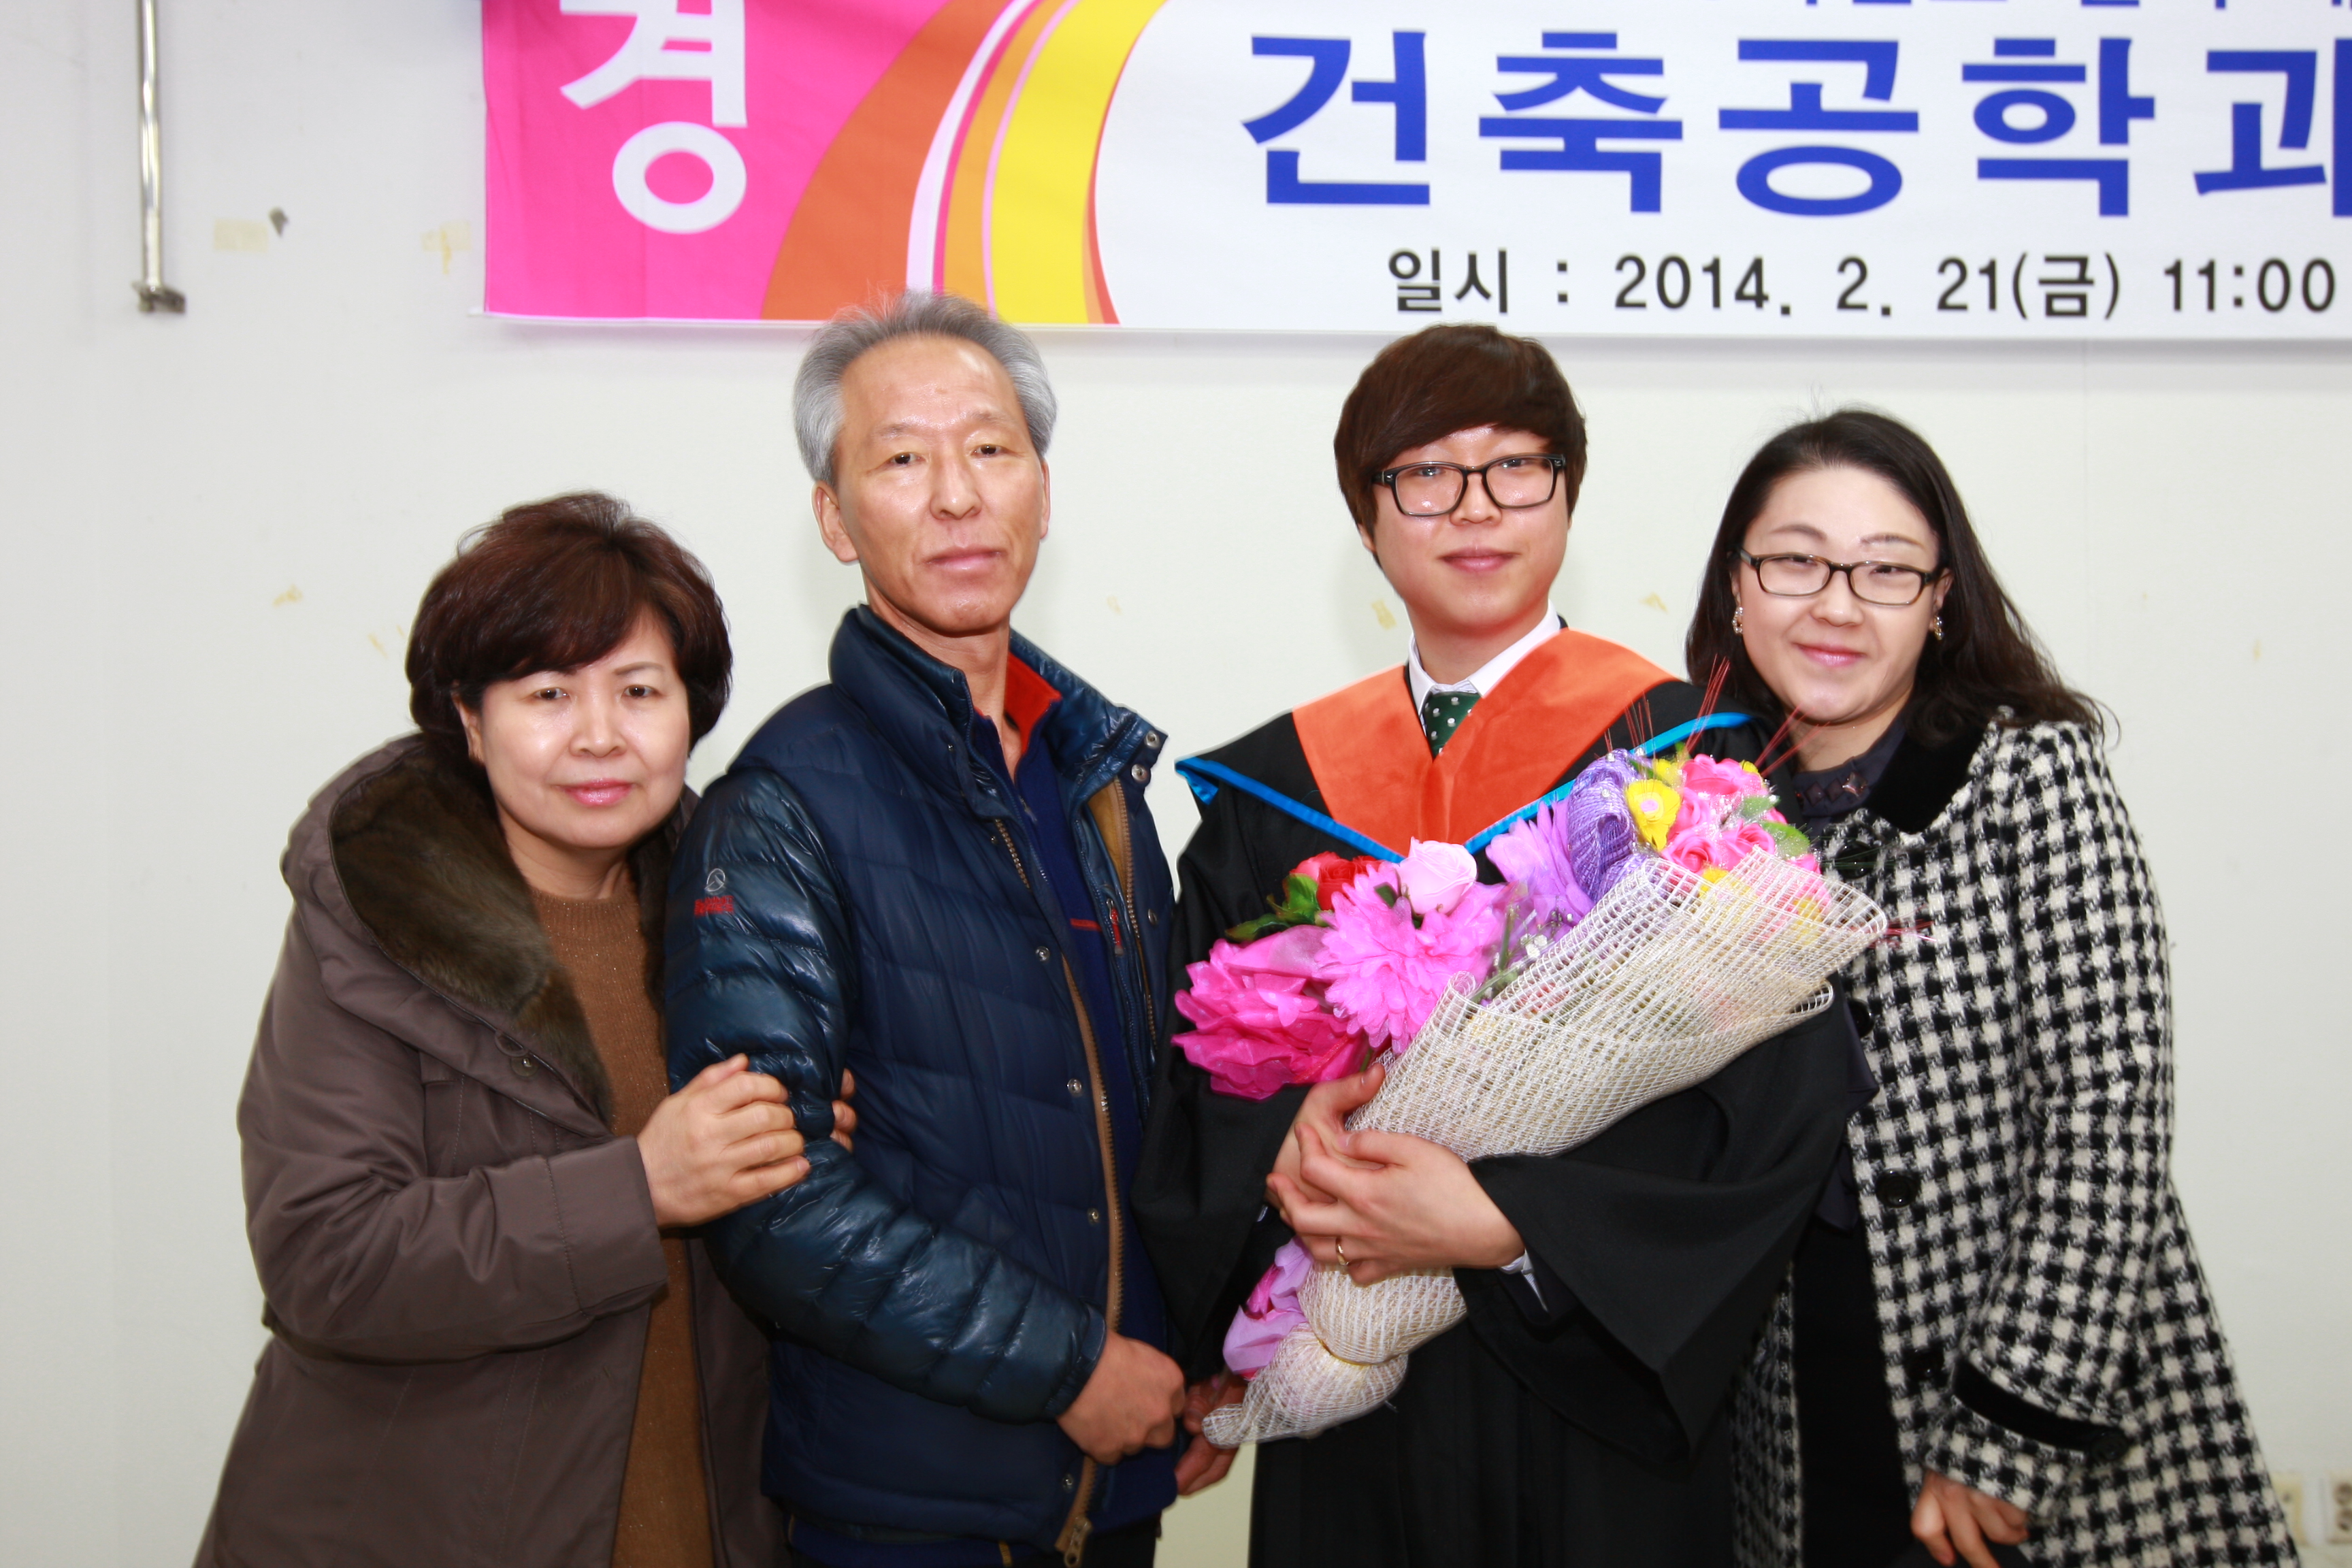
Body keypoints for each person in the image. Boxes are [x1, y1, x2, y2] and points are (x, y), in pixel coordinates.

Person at [1130, 323, 1859, 1566]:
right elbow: (1194, 1058)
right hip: (1351, 1385)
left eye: (1516, 466)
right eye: (1425, 473)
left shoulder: (1684, 759)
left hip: (1587, 1402)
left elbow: (1772, 1093)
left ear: (1568, 492)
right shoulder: (1279, 789)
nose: (1475, 507)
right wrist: (1278, 1142)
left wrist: (1509, 1223)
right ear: (1368, 519)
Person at [1685, 410, 2296, 1568]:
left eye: (1886, 570)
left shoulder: (2028, 776)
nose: (1836, 604)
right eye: (1797, 561)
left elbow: (2111, 1110)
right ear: (1738, 586)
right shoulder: (1696, 812)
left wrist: (2012, 1420)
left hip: (2029, 1393)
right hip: (1791, 1410)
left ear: (1940, 601)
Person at [196, 495, 848, 1568]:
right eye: (548, 693)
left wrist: (805, 1144)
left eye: (639, 690)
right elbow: (326, 1258)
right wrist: (641, 1188)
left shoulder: (738, 910)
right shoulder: (382, 919)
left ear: (690, 713)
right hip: (417, 1532)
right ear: (468, 718)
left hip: (706, 1523)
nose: (599, 735)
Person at [664, 292, 1206, 1568]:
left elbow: (1156, 1103)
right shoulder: (783, 803)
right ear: (834, 518)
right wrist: (1071, 1368)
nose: (958, 495)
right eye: (902, 459)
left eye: (991, 449)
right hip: (913, 1510)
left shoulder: (1096, 781)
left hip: (1121, 1485)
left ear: (1043, 491)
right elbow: (772, 1197)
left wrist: (1207, 1349)